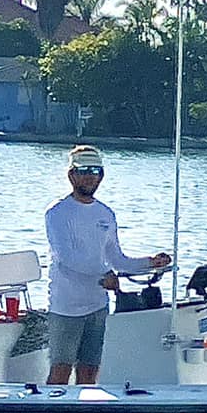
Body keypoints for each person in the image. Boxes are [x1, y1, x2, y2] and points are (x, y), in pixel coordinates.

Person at [45, 146, 171, 385]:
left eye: (96, 171)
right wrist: (104, 274)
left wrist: (150, 263)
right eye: (84, 171)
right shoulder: (58, 212)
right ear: (71, 174)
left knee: (90, 372)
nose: (91, 176)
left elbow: (117, 259)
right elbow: (67, 257)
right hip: (66, 307)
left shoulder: (106, 214)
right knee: (61, 370)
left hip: (98, 306)